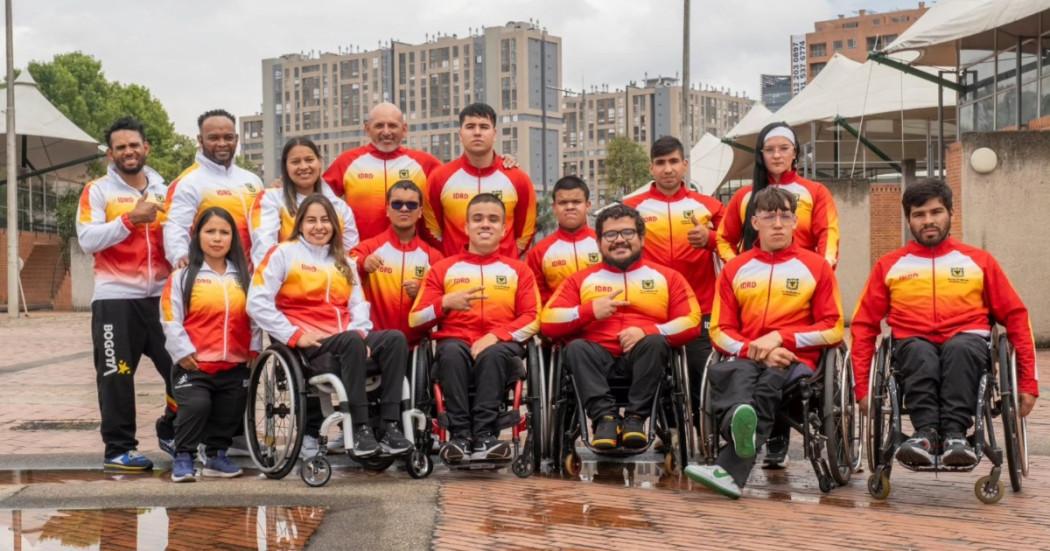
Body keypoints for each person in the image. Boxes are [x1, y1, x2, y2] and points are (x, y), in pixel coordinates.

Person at [851, 180, 1038, 468]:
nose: (928, 221)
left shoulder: (980, 262)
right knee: (918, 351)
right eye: (919, 214)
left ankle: (955, 435)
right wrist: (862, 389)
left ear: (950, 213)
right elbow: (864, 326)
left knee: (960, 348)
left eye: (936, 212)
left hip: (968, 342)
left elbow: (1016, 317)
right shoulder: (889, 266)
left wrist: (1027, 383)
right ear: (909, 220)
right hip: (912, 343)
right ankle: (925, 434)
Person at [685, 187, 844, 499]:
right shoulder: (734, 269)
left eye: (785, 216)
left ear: (796, 221)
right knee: (738, 376)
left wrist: (781, 339)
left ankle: (730, 467)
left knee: (769, 382)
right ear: (754, 222)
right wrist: (752, 349)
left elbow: (834, 328)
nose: (778, 223)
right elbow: (719, 330)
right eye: (769, 216)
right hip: (747, 356)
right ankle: (738, 428)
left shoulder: (817, 267)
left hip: (796, 361)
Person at [714, 122, 841, 468]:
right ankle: (750, 439)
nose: (778, 223)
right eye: (770, 149)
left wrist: (822, 268)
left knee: (773, 376)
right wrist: (736, 266)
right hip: (750, 326)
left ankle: (740, 459)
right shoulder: (742, 198)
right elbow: (722, 239)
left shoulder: (814, 192)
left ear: (795, 152)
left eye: (784, 148)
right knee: (735, 375)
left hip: (800, 297)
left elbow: (828, 234)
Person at [248, 195, 413, 458]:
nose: (319, 226)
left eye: (325, 220)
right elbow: (256, 303)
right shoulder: (282, 253)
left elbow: (358, 305)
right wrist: (294, 335)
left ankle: (390, 425)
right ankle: (360, 429)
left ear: (335, 225)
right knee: (350, 341)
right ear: (299, 223)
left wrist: (360, 334)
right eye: (311, 220)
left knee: (395, 338)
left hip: (349, 341)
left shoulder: (344, 261)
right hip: (312, 346)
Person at [541, 203, 701, 449]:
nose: (619, 240)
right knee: (575, 348)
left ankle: (635, 419)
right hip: (595, 363)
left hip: (644, 360)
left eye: (627, 233)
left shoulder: (668, 278)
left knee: (656, 342)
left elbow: (692, 322)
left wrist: (648, 331)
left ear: (641, 238)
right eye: (610, 235)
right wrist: (589, 311)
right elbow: (548, 321)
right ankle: (605, 418)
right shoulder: (579, 280)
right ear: (598, 242)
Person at [76, 116, 176, 471]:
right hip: (115, 299)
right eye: (121, 147)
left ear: (146, 147)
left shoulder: (166, 190)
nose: (129, 151)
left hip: (163, 297)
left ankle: (171, 427)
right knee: (117, 375)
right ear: (111, 154)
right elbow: (88, 240)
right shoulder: (98, 191)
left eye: (134, 145)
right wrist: (130, 220)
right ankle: (119, 450)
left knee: (182, 367)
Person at [408, 193, 540, 463]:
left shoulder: (519, 270)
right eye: (477, 219)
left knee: (493, 354)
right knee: (452, 353)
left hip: (501, 345)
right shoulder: (443, 269)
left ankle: (485, 437)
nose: (485, 224)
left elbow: (533, 317)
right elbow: (415, 319)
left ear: (504, 229)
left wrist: (494, 336)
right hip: (455, 342)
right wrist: (445, 302)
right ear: (466, 227)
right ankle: (460, 437)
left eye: (493, 219)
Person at [622, 136, 723, 435]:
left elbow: (739, 244)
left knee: (700, 376)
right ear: (651, 168)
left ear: (685, 165)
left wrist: (711, 239)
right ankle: (669, 431)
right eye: (661, 163)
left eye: (674, 162)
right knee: (655, 373)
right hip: (650, 309)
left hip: (700, 307)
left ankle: (708, 433)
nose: (668, 169)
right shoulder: (631, 208)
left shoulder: (709, 207)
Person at [160, 207, 261, 482]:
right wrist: (182, 353)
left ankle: (216, 455)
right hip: (195, 364)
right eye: (210, 231)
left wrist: (254, 350)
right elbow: (170, 317)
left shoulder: (245, 277)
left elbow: (254, 318)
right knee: (197, 405)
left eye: (224, 232)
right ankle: (184, 456)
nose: (217, 238)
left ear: (233, 238)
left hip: (235, 364)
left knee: (231, 410)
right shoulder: (182, 277)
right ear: (197, 236)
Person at [423, 103, 537, 258]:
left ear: (495, 133)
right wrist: (450, 259)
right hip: (455, 273)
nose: (477, 133)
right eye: (470, 127)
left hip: (503, 274)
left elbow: (526, 232)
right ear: (460, 134)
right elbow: (431, 230)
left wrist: (505, 258)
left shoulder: (518, 179)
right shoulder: (439, 178)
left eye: (484, 127)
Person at [322, 102, 441, 241]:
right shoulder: (346, 161)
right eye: (379, 125)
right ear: (367, 129)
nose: (386, 132)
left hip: (412, 255)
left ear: (404, 129)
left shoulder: (425, 162)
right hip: (360, 254)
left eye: (392, 125)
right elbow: (318, 200)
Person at [164, 109, 263, 269]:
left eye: (228, 137)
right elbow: (176, 227)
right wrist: (180, 256)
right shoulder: (188, 182)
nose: (222, 143)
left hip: (252, 276)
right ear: (200, 140)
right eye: (214, 138)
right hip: (210, 277)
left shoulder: (253, 180)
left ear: (237, 139)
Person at [351, 180, 443, 346]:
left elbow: (442, 301)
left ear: (420, 211)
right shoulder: (368, 248)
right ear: (387, 210)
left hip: (416, 346)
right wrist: (363, 263)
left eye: (411, 205)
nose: (404, 209)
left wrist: (422, 293)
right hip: (375, 343)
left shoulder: (434, 257)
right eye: (397, 204)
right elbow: (343, 267)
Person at [249, 137, 359, 267]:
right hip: (287, 283)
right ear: (285, 167)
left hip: (333, 283)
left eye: (309, 160)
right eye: (295, 162)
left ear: (319, 162)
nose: (303, 167)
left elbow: (350, 255)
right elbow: (264, 251)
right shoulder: (270, 199)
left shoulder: (339, 207)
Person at [526, 176, 600, 305]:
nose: (570, 207)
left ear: (587, 205)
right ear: (554, 207)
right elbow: (536, 297)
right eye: (563, 203)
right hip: (559, 321)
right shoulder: (539, 251)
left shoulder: (605, 244)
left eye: (576, 202)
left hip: (601, 321)